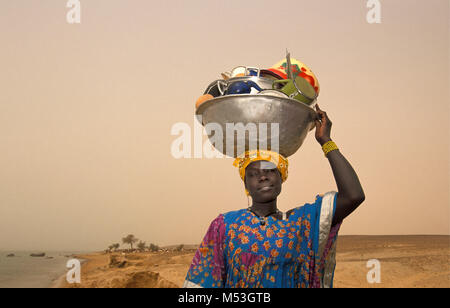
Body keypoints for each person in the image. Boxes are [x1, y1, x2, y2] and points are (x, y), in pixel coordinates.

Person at [183, 104, 365, 288]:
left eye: (270, 170)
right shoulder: (225, 226)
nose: (263, 176)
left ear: (281, 177)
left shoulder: (300, 223)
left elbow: (353, 196)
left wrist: (326, 141)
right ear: (245, 184)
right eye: (253, 174)